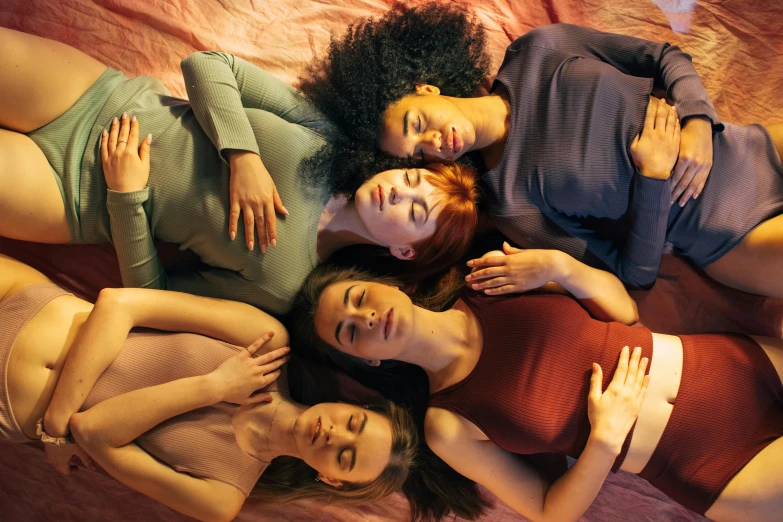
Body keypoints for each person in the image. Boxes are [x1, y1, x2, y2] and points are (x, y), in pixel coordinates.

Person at [300, 2, 783, 297]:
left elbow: (662, 56)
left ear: (426, 90)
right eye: (416, 154)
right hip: (728, 235)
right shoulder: (511, 204)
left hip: (751, 147)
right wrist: (654, 178)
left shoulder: (539, 49)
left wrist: (697, 121)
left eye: (416, 123)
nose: (432, 142)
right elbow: (633, 274)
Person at [0, 28, 479, 315]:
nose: (398, 191)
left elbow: (151, 295)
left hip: (71, 195)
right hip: (102, 98)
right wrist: (243, 159)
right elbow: (209, 65)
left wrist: (127, 199)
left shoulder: (285, 284)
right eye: (412, 180)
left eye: (415, 211)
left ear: (403, 250)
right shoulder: (327, 138)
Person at [295, 249, 783, 522]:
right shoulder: (447, 424)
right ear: (369, 358)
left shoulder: (486, 281)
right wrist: (603, 441)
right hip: (710, 466)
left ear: (387, 284)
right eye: (350, 332)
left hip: (734, 366)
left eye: (357, 298)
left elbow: (624, 312)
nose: (365, 316)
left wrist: (560, 268)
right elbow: (551, 512)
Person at [0, 253, 417, 522]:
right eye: (355, 423)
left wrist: (213, 388)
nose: (335, 434)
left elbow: (92, 430)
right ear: (351, 405)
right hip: (21, 300)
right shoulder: (268, 338)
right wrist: (55, 429)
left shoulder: (221, 498)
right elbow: (117, 304)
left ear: (331, 480)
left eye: (345, 456)